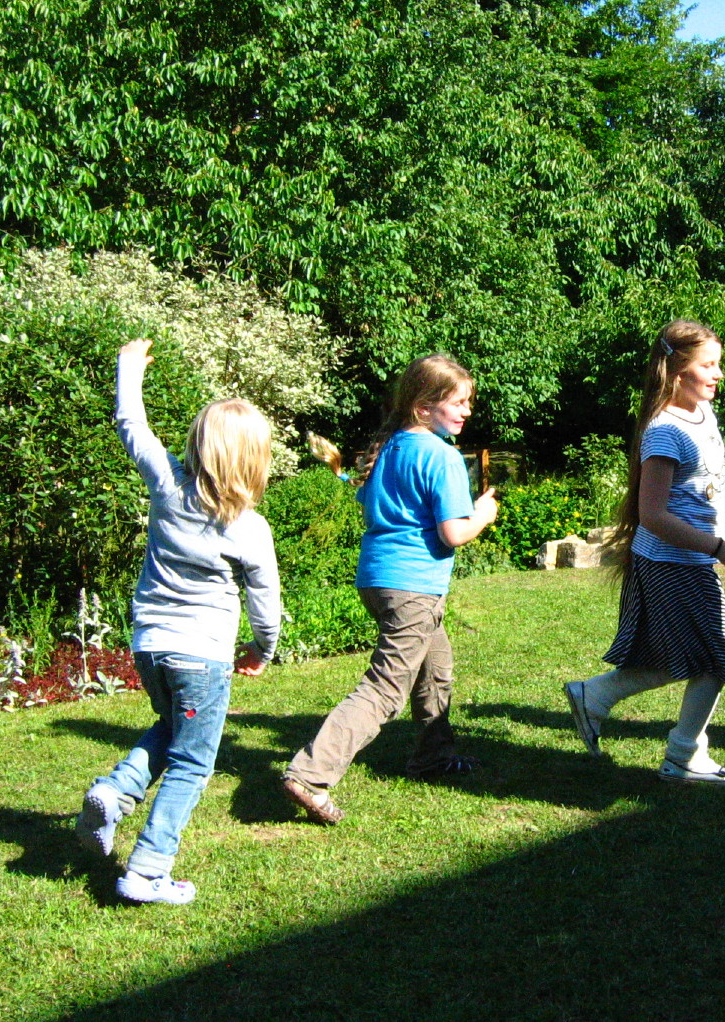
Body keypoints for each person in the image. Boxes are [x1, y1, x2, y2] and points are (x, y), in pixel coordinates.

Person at [75, 338, 281, 904]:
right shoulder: (249, 528)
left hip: (150, 648)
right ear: (254, 462)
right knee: (193, 761)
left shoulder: (167, 488)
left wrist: (127, 369)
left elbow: (132, 426)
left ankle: (116, 793)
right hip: (204, 656)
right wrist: (264, 649)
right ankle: (147, 869)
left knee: (173, 730)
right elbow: (266, 601)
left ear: (198, 445)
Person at [563, 319, 725, 785]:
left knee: (682, 659)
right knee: (719, 659)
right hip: (669, 562)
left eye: (718, 364)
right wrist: (719, 547)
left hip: (688, 561)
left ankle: (594, 698)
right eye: (708, 365)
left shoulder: (701, 415)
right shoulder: (664, 431)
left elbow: (710, 486)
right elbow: (652, 515)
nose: (718, 374)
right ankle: (684, 755)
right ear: (676, 370)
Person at [280, 354, 497, 824]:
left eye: (468, 403)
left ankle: (433, 756)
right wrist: (482, 513)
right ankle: (310, 775)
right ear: (422, 407)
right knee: (385, 687)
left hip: (378, 579)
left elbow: (370, 502)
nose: (466, 411)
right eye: (456, 403)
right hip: (412, 585)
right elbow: (453, 533)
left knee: (435, 666)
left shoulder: (392, 448)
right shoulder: (441, 456)